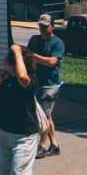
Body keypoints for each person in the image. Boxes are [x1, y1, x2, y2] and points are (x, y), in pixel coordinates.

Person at [0, 43, 45, 175]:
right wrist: (1, 79)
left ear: (14, 62)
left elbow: (23, 76)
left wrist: (16, 51)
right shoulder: (7, 79)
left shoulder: (28, 80)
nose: (2, 62)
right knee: (5, 172)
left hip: (24, 136)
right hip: (4, 133)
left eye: (5, 60)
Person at [27, 14, 64, 158]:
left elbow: (52, 62)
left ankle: (41, 146)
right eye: (40, 25)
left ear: (52, 27)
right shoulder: (34, 40)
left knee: (42, 116)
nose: (41, 28)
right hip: (36, 83)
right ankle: (54, 145)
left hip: (50, 85)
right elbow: (28, 57)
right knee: (47, 116)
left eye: (45, 26)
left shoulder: (57, 43)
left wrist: (35, 57)